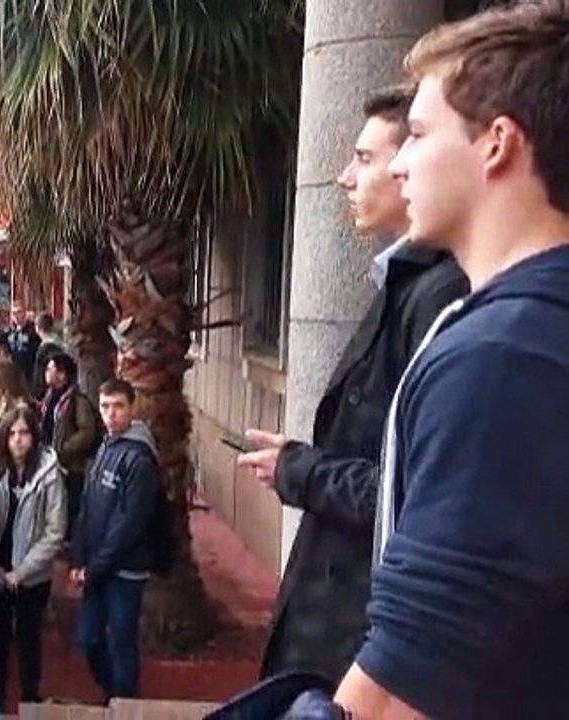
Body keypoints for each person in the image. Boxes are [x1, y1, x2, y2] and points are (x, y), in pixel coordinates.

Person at [329, 7, 569, 717]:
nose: (401, 161)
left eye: (422, 135)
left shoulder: (504, 357)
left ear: (497, 144)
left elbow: (407, 687)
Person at [235, 85, 469, 684]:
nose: (345, 177)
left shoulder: (445, 295)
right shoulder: (406, 283)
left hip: (357, 639)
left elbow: (411, 491)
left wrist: (301, 470)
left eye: (366, 158)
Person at [70, 379, 159, 701]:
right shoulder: (105, 446)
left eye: (118, 406)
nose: (111, 414)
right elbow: (88, 507)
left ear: (132, 408)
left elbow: (128, 524)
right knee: (89, 639)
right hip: (96, 567)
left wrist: (95, 567)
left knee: (122, 642)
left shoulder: (140, 460)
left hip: (125, 571)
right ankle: (113, 695)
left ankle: (125, 703)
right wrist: (79, 559)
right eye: (105, 406)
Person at [0, 404, 66, 712]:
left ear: (35, 437)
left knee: (29, 638)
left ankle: (29, 699)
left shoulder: (49, 474)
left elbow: (54, 530)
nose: (18, 440)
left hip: (32, 574)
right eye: (12, 433)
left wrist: (22, 572)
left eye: (25, 433)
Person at [38, 352, 99, 539]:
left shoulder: (77, 400)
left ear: (63, 373)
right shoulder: (49, 397)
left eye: (51, 368)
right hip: (50, 460)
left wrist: (63, 449)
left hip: (70, 465)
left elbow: (87, 431)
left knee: (71, 505)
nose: (47, 372)